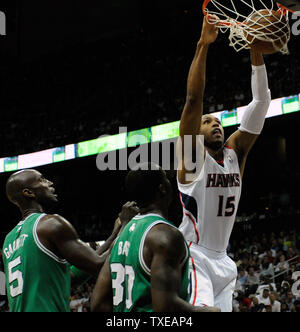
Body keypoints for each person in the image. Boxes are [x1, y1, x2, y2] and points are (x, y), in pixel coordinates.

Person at [176, 15, 271, 312]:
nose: (215, 124)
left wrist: (255, 51)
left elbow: (261, 102)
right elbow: (194, 100)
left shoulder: (235, 152)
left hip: (224, 261)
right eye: (207, 122)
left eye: (218, 122)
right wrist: (204, 43)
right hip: (193, 255)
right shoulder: (193, 159)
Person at [2, 169, 138, 312]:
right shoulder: (49, 224)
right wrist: (126, 224)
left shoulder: (8, 240)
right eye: (42, 180)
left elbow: (70, 278)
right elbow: (98, 265)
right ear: (28, 193)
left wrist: (114, 234)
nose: (50, 183)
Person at [90, 163, 220, 312]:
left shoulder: (120, 238)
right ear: (162, 189)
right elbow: (165, 307)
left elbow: (98, 304)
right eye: (165, 178)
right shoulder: (165, 235)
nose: (169, 181)